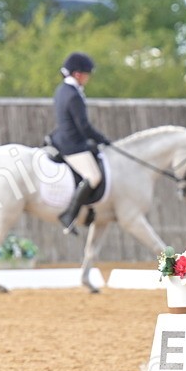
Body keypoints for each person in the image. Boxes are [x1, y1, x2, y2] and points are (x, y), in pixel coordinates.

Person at [50, 51, 111, 234]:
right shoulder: (73, 95)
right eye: (87, 75)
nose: (88, 79)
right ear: (77, 74)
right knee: (94, 177)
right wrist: (103, 139)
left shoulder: (62, 89)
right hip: (72, 145)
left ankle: (90, 209)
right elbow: (84, 127)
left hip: (64, 138)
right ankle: (69, 215)